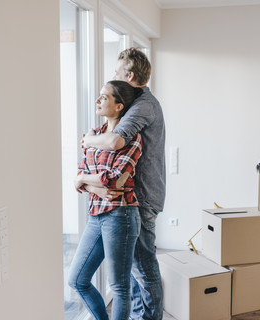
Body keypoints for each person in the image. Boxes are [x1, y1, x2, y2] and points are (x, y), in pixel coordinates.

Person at [82, 48, 166, 320]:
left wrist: (86, 140)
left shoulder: (143, 105)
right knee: (133, 271)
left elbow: (116, 141)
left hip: (140, 198)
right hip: (131, 198)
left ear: (129, 75)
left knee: (144, 269)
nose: (113, 76)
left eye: (116, 72)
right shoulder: (137, 103)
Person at [68, 80, 144, 320]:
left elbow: (114, 181)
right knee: (78, 279)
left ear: (119, 106)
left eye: (104, 97)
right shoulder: (95, 134)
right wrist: (87, 180)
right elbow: (80, 174)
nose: (97, 101)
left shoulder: (131, 138)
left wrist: (86, 180)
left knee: (120, 286)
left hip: (121, 215)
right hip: (96, 214)